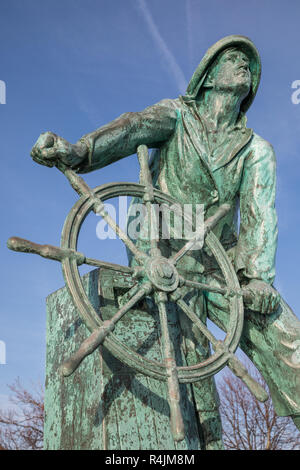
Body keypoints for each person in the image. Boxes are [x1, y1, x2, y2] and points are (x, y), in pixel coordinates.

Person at [31, 35, 300, 447]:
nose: (245, 66)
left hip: (222, 264)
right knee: (192, 371)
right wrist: (77, 151)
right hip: (163, 253)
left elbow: (262, 217)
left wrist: (258, 277)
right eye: (234, 59)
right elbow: (130, 127)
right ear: (208, 77)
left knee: (287, 338)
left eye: (250, 65)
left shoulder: (256, 150)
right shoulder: (177, 116)